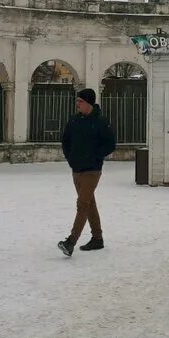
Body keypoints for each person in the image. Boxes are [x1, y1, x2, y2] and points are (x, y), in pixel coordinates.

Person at [58, 88, 116, 257]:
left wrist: (95, 156)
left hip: (92, 170)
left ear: (89, 103)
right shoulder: (74, 120)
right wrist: (71, 159)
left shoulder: (100, 122)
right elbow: (65, 141)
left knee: (82, 205)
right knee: (89, 204)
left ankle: (70, 242)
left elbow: (110, 144)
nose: (77, 104)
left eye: (81, 101)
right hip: (76, 169)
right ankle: (97, 239)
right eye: (77, 101)